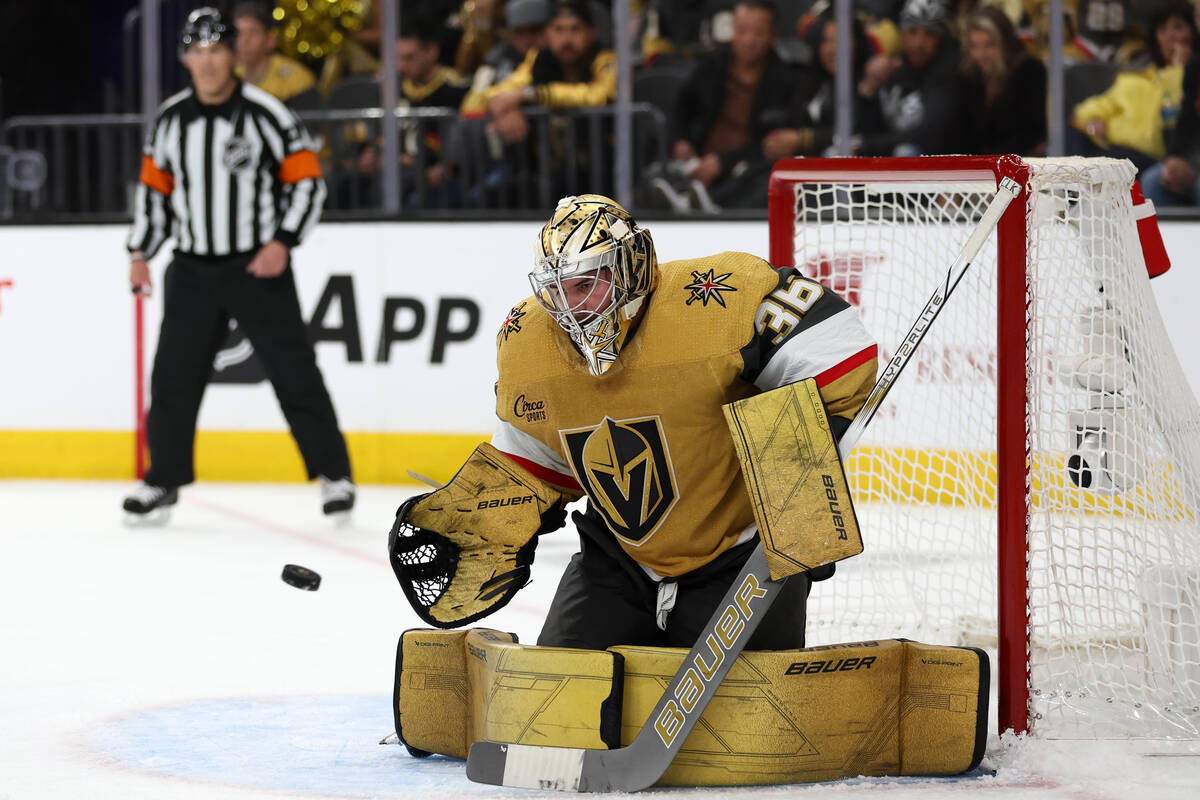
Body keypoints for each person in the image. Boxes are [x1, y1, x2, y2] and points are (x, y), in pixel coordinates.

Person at [395, 195, 879, 651]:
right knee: (559, 703)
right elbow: (534, 456)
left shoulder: (717, 299)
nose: (571, 307)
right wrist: (484, 518)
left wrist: (803, 508)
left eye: (586, 284)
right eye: (557, 290)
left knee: (749, 721)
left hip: (743, 557)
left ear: (629, 267)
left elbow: (838, 352)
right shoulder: (527, 339)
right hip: (617, 560)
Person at [124, 7, 354, 521]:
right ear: (185, 58)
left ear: (234, 56)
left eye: (216, 51)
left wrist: (282, 242)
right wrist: (140, 250)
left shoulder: (265, 113)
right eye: (197, 52)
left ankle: (334, 475)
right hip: (191, 268)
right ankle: (162, 481)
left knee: (293, 373)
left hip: (256, 267)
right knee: (172, 379)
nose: (207, 63)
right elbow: (155, 192)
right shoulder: (171, 119)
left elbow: (307, 182)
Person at [664, 0, 799, 210]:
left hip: (745, 169)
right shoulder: (712, 65)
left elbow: (773, 144)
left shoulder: (786, 81)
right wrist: (679, 141)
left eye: (758, 32)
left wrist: (722, 162)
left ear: (774, 35)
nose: (749, 40)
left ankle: (705, 201)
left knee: (761, 177)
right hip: (698, 161)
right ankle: (685, 195)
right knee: (657, 173)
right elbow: (681, 107)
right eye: (742, 30)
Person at [1071, 1, 1196, 175]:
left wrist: (1179, 69)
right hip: (1113, 150)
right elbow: (1094, 106)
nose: (1169, 36)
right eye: (1162, 29)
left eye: (1177, 27)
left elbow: (1171, 119)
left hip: (1147, 156)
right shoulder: (1139, 75)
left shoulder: (1186, 77)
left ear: (1193, 33)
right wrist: (1093, 119)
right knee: (1070, 137)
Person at [483, 1, 617, 145]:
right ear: (547, 33)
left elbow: (601, 94)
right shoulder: (538, 58)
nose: (566, 39)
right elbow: (498, 93)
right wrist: (508, 110)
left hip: (601, 153)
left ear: (591, 33)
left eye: (575, 29)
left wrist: (535, 94)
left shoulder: (606, 59)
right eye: (558, 29)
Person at [761, 8, 884, 161]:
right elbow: (791, 121)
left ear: (857, 43)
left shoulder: (868, 84)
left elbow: (859, 133)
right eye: (825, 41)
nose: (832, 49)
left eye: (841, 41)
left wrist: (803, 139)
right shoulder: (809, 81)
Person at [857, 0, 960, 156]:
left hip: (938, 169)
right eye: (912, 31)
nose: (919, 43)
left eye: (929, 34)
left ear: (940, 38)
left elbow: (928, 133)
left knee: (906, 152)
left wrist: (868, 145)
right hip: (884, 164)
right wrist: (870, 86)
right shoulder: (891, 69)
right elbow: (865, 129)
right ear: (902, 35)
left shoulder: (948, 72)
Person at [951, 5, 1047, 156]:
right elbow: (958, 133)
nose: (981, 54)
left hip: (1019, 167)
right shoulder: (969, 76)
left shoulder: (1029, 70)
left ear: (1006, 43)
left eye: (990, 45)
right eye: (974, 46)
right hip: (978, 170)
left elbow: (1029, 134)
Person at [1141, 51, 1200, 205]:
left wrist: (1192, 166)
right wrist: (1174, 159)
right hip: (1192, 156)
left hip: (1195, 160)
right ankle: (1155, 230)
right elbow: (1186, 120)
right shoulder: (1195, 65)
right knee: (1152, 181)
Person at [232, 1, 316, 102]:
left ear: (270, 40)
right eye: (238, 33)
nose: (243, 40)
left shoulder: (295, 79)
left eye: (252, 33)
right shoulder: (229, 74)